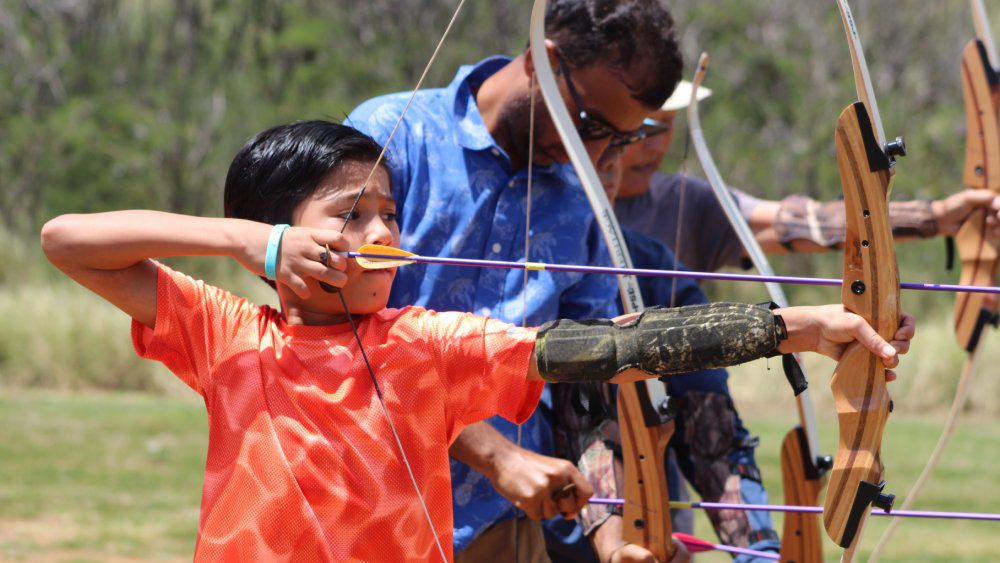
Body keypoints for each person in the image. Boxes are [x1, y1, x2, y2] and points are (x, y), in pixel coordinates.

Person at [39, 120, 913, 562]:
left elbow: (605, 346)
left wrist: (793, 325)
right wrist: (242, 241)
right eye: (352, 214)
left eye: (391, 212)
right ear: (282, 238)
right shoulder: (225, 331)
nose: (385, 230)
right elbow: (65, 238)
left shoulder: (424, 341)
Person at [348, 1, 689, 560]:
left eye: (619, 138)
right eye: (590, 124)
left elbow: (585, 390)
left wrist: (610, 539)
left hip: (502, 534)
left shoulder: (580, 204)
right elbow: (340, 334)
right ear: (546, 60)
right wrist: (498, 457)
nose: (596, 152)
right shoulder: (393, 136)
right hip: (362, 510)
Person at [613, 82, 1000, 273]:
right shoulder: (556, 198)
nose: (656, 146)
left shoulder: (688, 201)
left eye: (667, 127)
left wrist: (936, 217)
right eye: (646, 128)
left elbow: (808, 225)